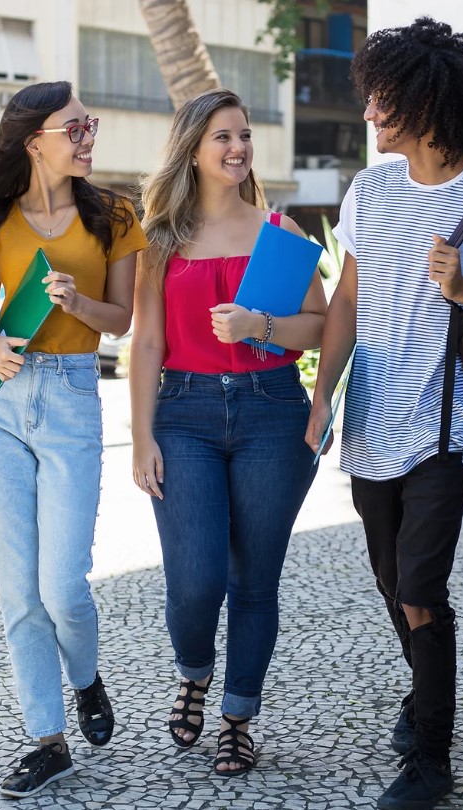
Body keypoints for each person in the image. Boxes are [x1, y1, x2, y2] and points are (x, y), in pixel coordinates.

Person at [305, 17, 463, 810]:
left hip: (443, 423)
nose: (369, 114)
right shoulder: (371, 191)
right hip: (373, 418)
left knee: (419, 590)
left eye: (381, 99)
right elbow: (346, 299)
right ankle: (424, 695)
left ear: (424, 102)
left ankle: (431, 763)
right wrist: (321, 397)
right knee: (387, 580)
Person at [0, 81, 147, 799]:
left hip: (71, 394)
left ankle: (86, 674)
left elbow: (121, 320)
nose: (87, 135)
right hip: (2, 399)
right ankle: (48, 740)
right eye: (75, 126)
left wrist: (77, 300)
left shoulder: (114, 215)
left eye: (88, 123)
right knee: (18, 593)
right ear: (34, 138)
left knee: (63, 586)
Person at [130, 88, 327, 776]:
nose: (238, 147)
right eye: (222, 137)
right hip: (181, 414)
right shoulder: (160, 239)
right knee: (194, 580)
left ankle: (238, 717)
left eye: (243, 135)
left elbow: (321, 325)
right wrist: (140, 436)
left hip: (272, 410)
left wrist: (258, 328)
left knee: (254, 581)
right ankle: (194, 670)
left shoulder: (281, 233)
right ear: (192, 147)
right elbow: (147, 343)